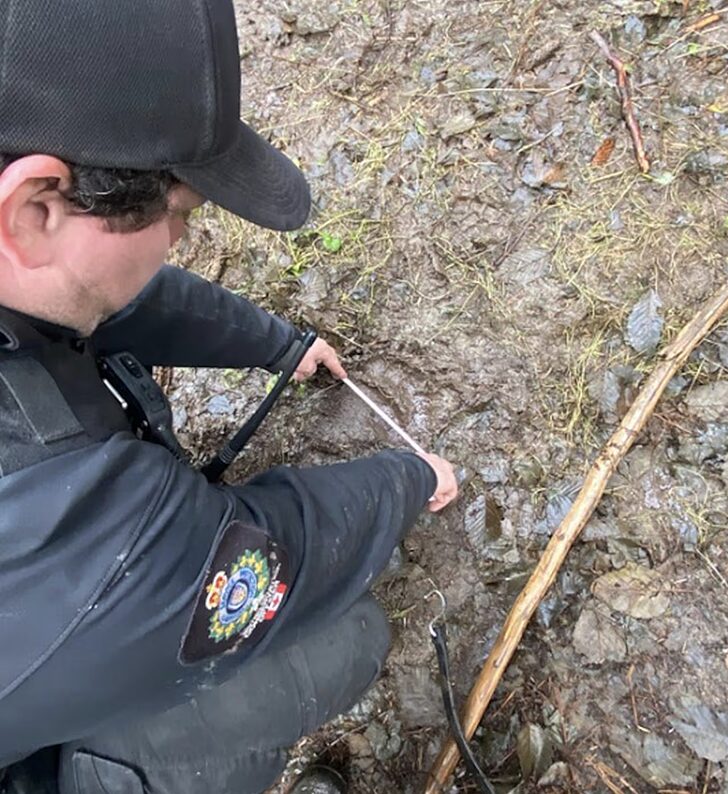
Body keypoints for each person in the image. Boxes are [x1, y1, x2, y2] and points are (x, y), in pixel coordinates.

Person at [0, 2, 458, 793]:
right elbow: (254, 559)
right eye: (179, 214)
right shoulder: (56, 514)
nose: (180, 238)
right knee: (343, 639)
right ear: (35, 208)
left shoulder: (25, 259)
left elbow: (102, 293)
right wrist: (410, 479)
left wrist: (276, 345)